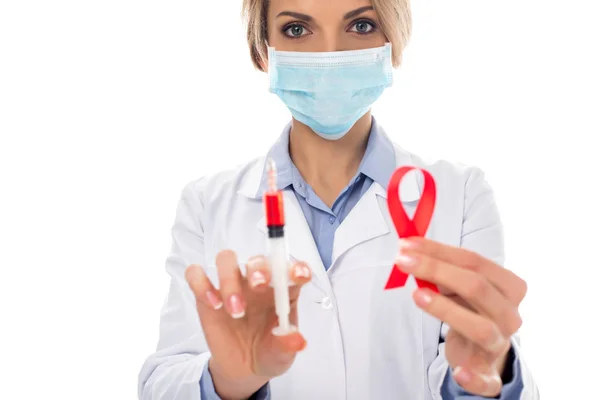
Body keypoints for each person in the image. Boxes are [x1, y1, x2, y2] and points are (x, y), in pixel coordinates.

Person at [138, 0, 539, 399]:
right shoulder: (208, 206)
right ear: (263, 52)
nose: (330, 56)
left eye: (361, 26)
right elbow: (163, 382)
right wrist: (230, 378)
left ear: (393, 44)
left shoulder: (461, 194)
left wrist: (483, 377)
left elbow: (480, 357)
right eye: (297, 29)